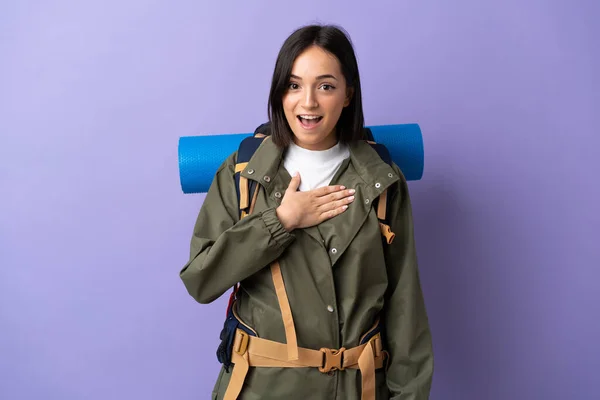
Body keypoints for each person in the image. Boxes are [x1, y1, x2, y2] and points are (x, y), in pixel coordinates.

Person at [180, 24, 433, 400]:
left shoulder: (382, 180)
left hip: (355, 389)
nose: (308, 102)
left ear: (348, 94)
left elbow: (405, 306)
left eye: (326, 86)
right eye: (294, 85)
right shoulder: (243, 173)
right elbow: (200, 280)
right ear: (280, 92)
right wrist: (279, 222)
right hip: (262, 389)